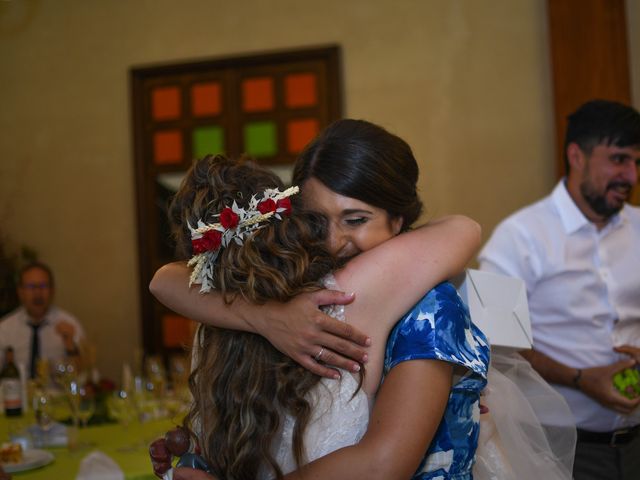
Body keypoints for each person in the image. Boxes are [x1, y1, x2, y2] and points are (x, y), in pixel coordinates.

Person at [150, 120, 490, 479]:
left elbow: (385, 462)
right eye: (315, 220)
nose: (332, 240)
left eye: (355, 220)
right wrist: (266, 317)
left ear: (398, 220)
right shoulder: (286, 288)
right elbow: (166, 280)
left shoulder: (431, 308)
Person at [478, 99, 640, 480]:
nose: (631, 176)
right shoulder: (518, 238)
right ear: (576, 156)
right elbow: (495, 346)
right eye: (618, 159)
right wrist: (580, 378)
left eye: (636, 162)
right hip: (564, 450)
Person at [0, 261, 84, 378]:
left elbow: (82, 377)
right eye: (31, 287)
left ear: (52, 291)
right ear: (20, 292)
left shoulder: (70, 324)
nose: (38, 293)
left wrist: (70, 346)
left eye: (44, 286)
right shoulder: (5, 328)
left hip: (57, 394)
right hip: (18, 394)